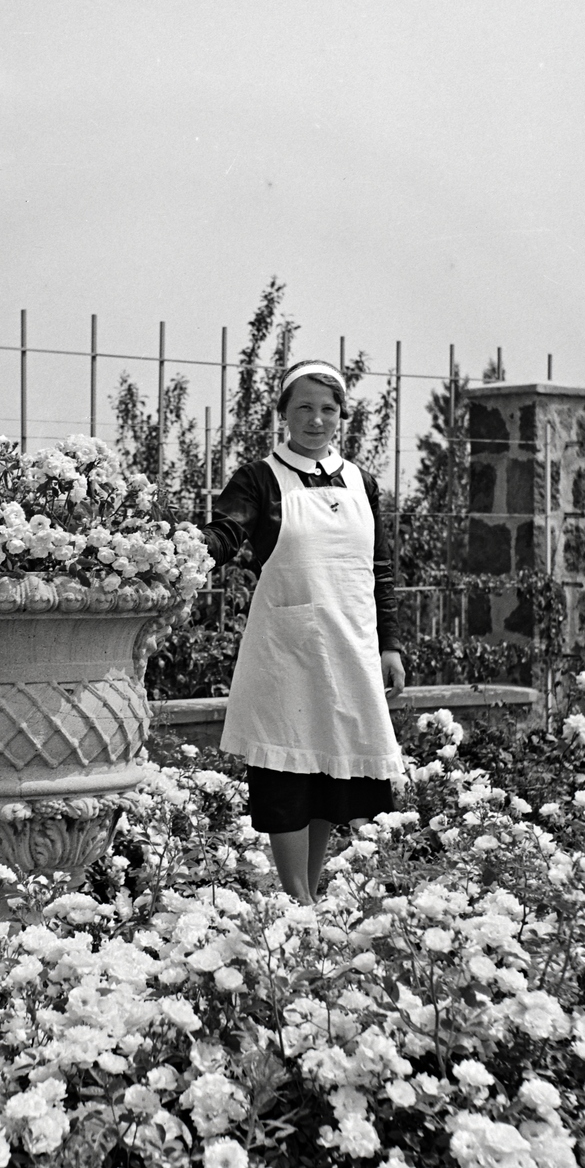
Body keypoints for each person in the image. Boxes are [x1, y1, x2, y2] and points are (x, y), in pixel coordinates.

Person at [202, 360, 405, 903]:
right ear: (284, 414)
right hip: (287, 649)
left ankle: (307, 892)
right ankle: (298, 899)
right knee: (288, 772)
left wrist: (389, 644)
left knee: (331, 777)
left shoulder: (361, 481)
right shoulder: (260, 478)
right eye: (304, 408)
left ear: (341, 416)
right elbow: (228, 530)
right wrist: (183, 552)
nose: (316, 420)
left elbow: (379, 567)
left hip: (350, 645)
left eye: (327, 409)